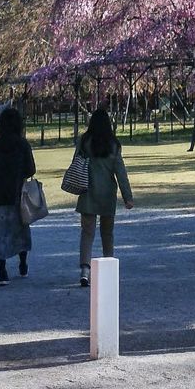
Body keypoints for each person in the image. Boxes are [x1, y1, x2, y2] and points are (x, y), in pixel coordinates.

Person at [75, 107, 134, 287]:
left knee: (87, 233)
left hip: (87, 191)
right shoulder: (113, 145)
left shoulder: (84, 142)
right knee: (107, 233)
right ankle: (109, 266)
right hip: (107, 193)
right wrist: (127, 196)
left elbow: (76, 163)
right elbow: (120, 172)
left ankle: (85, 270)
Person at [0, 106, 36, 285]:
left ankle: (2, 271)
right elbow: (31, 169)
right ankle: (23, 263)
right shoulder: (22, 145)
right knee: (19, 231)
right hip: (17, 193)